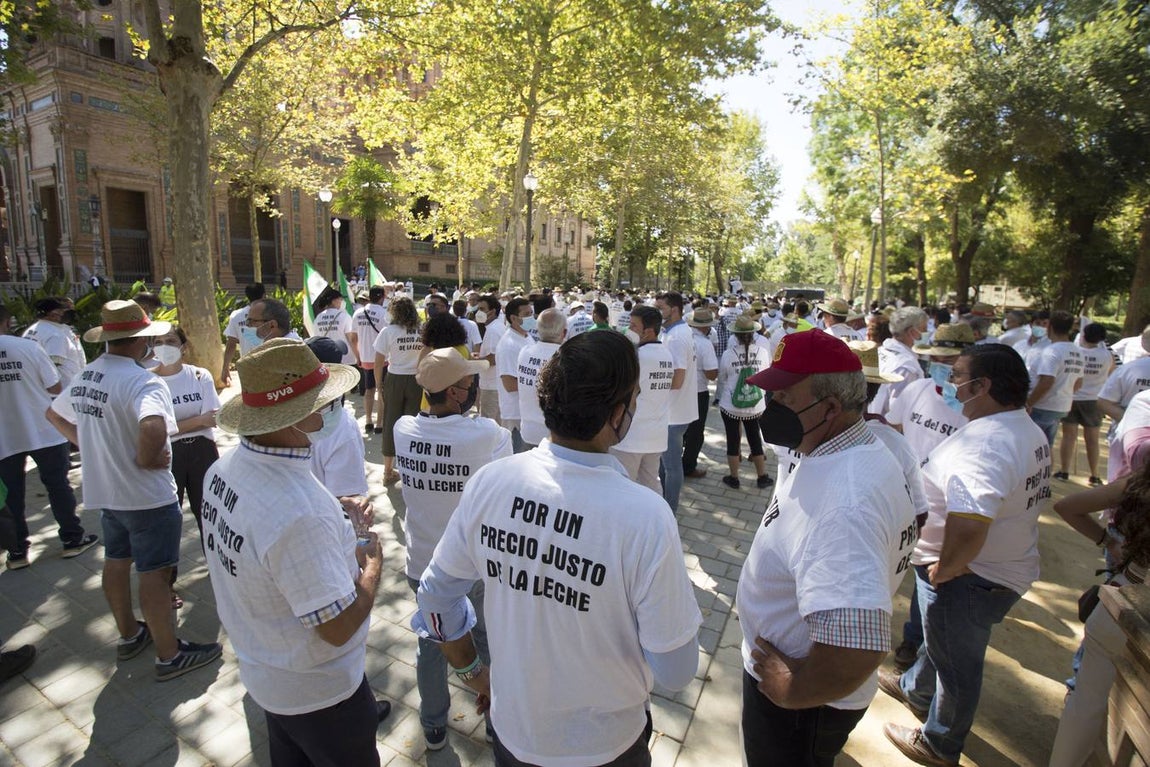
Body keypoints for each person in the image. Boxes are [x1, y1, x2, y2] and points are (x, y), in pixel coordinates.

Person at [413, 331, 701, 766]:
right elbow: (676, 671)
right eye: (635, 397)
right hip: (607, 745)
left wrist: (473, 673)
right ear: (619, 412)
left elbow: (434, 596)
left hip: (513, 733)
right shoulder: (646, 516)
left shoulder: (491, 483)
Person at [204, 338, 391, 765]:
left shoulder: (223, 469)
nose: (331, 411)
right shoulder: (299, 513)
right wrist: (373, 565)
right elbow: (337, 627)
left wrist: (333, 518)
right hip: (320, 693)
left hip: (268, 674)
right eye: (324, 404)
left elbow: (259, 549)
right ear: (296, 417)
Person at [737, 329, 916, 766]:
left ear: (831, 407)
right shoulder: (829, 449)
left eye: (784, 397)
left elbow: (857, 647)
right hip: (798, 691)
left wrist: (792, 691)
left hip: (803, 705)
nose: (771, 407)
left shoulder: (847, 502)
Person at [882, 344, 1050, 767]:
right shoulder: (1019, 426)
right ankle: (915, 688)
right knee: (939, 641)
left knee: (956, 662)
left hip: (971, 576)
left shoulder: (987, 445)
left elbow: (971, 521)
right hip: (984, 569)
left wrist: (945, 569)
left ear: (983, 385)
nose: (950, 384)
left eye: (957, 376)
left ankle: (939, 741)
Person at [45, 300, 222, 680]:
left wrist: (89, 447)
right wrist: (147, 457)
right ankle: (169, 654)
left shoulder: (89, 375)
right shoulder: (143, 380)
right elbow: (155, 427)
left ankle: (129, 633)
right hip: (145, 496)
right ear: (141, 338)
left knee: (117, 561)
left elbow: (54, 414)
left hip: (106, 492)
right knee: (154, 574)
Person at [395, 348, 511, 750]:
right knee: (486, 637)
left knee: (430, 643)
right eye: (471, 382)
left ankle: (433, 723)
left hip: (421, 560)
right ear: (460, 393)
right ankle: (499, 714)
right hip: (472, 564)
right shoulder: (491, 435)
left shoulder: (401, 428)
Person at [884, 324, 974, 670]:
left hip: (947, 510)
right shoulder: (918, 389)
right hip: (905, 497)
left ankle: (915, 641)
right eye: (936, 359)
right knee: (893, 563)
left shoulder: (977, 408)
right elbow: (894, 429)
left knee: (930, 580)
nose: (941, 366)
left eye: (949, 362)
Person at [1047, 465, 1148, 767]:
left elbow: (1068, 506)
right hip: (1132, 613)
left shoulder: (1139, 482)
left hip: (1117, 603)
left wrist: (1109, 542)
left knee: (1085, 705)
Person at [0, 305, 96, 569]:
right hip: (44, 430)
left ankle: (17, 551)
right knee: (57, 485)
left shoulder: (31, 340)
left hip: (5, 437)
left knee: (11, 494)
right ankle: (72, 539)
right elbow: (54, 385)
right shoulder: (28, 348)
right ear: (7, 322)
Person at [151, 326, 220, 546]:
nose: (164, 347)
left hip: (203, 451)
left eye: (170, 341)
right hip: (167, 455)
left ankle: (215, 564)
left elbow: (213, 419)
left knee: (209, 513)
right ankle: (165, 574)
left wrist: (177, 426)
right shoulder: (147, 381)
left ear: (184, 347)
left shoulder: (199, 375)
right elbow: (155, 429)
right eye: (158, 342)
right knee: (167, 516)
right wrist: (198, 421)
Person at [610, 306, 674, 494]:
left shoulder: (637, 357)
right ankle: (658, 520)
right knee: (651, 484)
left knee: (622, 487)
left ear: (648, 331)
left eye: (633, 326)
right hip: (656, 435)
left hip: (631, 436)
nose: (629, 330)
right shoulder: (666, 355)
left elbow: (622, 392)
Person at [715, 315, 771, 489]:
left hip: (730, 405)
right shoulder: (762, 352)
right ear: (754, 333)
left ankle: (734, 478)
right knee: (755, 439)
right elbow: (766, 375)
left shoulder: (728, 354)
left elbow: (722, 379)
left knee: (733, 441)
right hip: (755, 405)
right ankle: (762, 477)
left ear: (736, 335)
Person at [373, 296, 424, 485]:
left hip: (395, 378)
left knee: (391, 422)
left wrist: (379, 385)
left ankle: (388, 469)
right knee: (413, 424)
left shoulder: (388, 332)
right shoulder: (421, 330)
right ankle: (410, 469)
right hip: (416, 380)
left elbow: (378, 362)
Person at [1057, 322, 1114, 485]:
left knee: (1068, 436)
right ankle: (1095, 475)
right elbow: (1112, 370)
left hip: (1073, 397)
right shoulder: (1107, 355)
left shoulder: (1076, 352)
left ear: (1083, 335)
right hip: (1094, 399)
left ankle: (1064, 471)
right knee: (1092, 439)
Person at [656, 291, 697, 513]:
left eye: (661, 307)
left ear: (674, 309)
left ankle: (669, 510)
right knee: (665, 465)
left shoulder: (676, 336)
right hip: (677, 410)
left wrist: (652, 385)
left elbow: (677, 379)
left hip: (674, 412)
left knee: (671, 466)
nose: (658, 312)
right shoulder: (677, 331)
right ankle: (663, 502)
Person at [517, 308, 565, 449]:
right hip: (554, 436)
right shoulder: (565, 358)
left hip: (528, 430)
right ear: (564, 332)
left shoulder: (525, 352)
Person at [870, 306, 928, 417]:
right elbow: (898, 415)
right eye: (924, 329)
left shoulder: (880, 351)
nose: (927, 333)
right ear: (912, 332)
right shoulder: (906, 368)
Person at [682, 308, 719, 480]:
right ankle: (688, 466)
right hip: (698, 392)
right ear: (706, 327)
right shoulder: (705, 344)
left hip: (678, 390)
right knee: (696, 432)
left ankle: (672, 462)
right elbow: (712, 374)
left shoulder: (680, 337)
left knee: (678, 428)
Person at [496, 297, 535, 452]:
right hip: (515, 414)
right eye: (526, 314)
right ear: (513, 318)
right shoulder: (508, 345)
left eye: (532, 313)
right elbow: (509, 384)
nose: (531, 318)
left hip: (526, 411)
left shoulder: (526, 337)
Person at [22, 297, 87, 387]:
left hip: (38, 388)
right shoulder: (56, 335)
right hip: (62, 391)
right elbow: (52, 367)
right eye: (64, 310)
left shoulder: (32, 329)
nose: (69, 314)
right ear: (52, 313)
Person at [353, 285, 389, 434]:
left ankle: (368, 420)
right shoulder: (384, 314)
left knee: (369, 390)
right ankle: (379, 424)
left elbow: (353, 337)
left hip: (365, 357)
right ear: (382, 297)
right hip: (382, 359)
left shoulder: (358, 313)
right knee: (381, 392)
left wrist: (357, 356)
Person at [221, 283, 266, 387]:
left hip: (248, 366)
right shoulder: (272, 313)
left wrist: (225, 367)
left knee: (251, 398)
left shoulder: (236, 316)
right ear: (264, 296)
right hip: (270, 364)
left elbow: (231, 343)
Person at [475, 294, 506, 422]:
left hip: (491, 385)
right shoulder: (497, 327)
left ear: (492, 311)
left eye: (482, 309)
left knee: (489, 423)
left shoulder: (493, 330)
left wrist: (473, 362)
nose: (478, 312)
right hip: (495, 384)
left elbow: (492, 359)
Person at [313, 288, 358, 367]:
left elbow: (316, 338)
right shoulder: (344, 316)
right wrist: (358, 356)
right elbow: (351, 339)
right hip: (345, 360)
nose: (342, 302)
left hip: (326, 359)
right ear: (333, 301)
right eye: (340, 299)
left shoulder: (318, 318)